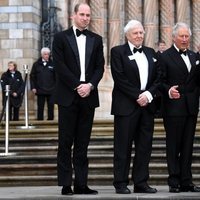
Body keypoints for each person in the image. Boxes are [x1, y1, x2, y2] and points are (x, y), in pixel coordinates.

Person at [52, 3, 105, 195]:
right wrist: (77, 85)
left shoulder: (97, 39)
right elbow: (59, 65)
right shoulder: (60, 38)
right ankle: (66, 184)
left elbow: (100, 67)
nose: (85, 18)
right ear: (73, 15)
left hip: (88, 96)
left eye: (88, 15)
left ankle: (81, 184)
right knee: (65, 142)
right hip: (68, 95)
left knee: (83, 143)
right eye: (82, 14)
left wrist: (89, 85)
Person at [110, 20, 161, 194]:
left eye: (141, 32)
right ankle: (121, 183)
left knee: (144, 146)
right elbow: (119, 77)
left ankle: (141, 182)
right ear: (127, 35)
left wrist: (148, 95)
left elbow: (158, 77)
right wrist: (137, 95)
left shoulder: (150, 52)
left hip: (147, 107)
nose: (139, 35)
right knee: (123, 146)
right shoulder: (117, 52)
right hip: (126, 107)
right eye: (135, 33)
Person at [159, 22, 200, 193]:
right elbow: (159, 80)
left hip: (191, 107)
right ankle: (174, 181)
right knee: (174, 146)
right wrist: (168, 90)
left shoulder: (194, 56)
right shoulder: (165, 56)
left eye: (187, 36)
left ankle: (186, 181)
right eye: (181, 36)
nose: (184, 39)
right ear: (173, 37)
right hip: (174, 107)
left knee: (188, 146)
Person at [30, 47, 56, 120]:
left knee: (51, 106)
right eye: (45, 54)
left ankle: (50, 121)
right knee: (40, 106)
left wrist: (56, 88)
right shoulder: (36, 64)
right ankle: (40, 120)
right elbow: (32, 77)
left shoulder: (53, 64)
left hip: (51, 90)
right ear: (42, 55)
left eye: (48, 54)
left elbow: (57, 77)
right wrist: (33, 87)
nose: (47, 56)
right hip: (40, 89)